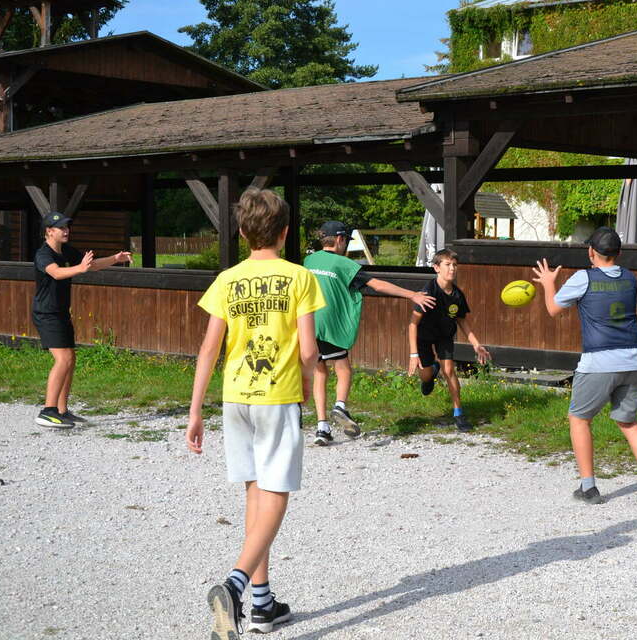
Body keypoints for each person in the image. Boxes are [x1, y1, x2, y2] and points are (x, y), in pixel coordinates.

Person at [186, 188, 325, 638]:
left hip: (235, 398)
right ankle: (235, 584)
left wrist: (195, 411)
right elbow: (309, 350)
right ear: (284, 233)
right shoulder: (300, 277)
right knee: (277, 493)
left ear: (243, 233)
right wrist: (310, 381)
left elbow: (209, 348)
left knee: (254, 493)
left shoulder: (227, 280)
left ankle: (262, 604)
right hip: (277, 397)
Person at [532, 227, 637, 505]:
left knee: (579, 419)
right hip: (634, 358)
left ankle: (588, 487)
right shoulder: (630, 278)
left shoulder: (584, 277)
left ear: (591, 251)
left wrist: (548, 283)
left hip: (600, 359)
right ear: (619, 252)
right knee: (627, 421)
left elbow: (553, 309)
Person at [303, 221, 435, 446]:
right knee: (343, 369)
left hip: (309, 325)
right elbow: (378, 285)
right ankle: (340, 405)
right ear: (340, 240)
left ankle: (322, 428)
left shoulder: (309, 261)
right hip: (331, 326)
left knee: (320, 372)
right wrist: (412, 295)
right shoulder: (344, 264)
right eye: (346, 241)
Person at [32, 211, 131, 429]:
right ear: (49, 231)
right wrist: (80, 268)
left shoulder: (67, 250)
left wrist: (116, 258)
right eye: (61, 228)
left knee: (70, 359)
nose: (66, 230)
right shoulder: (43, 254)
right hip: (46, 313)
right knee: (64, 359)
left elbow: (92, 265)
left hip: (60, 313)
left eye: (67, 227)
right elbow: (56, 273)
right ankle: (47, 411)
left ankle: (61, 411)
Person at [408, 248, 490, 432]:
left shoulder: (457, 295)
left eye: (455, 265)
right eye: (447, 264)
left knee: (449, 370)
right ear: (437, 268)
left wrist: (476, 344)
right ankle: (432, 370)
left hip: (444, 336)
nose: (452, 268)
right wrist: (413, 354)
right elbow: (412, 324)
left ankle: (458, 413)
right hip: (423, 337)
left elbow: (462, 321)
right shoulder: (428, 292)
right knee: (425, 376)